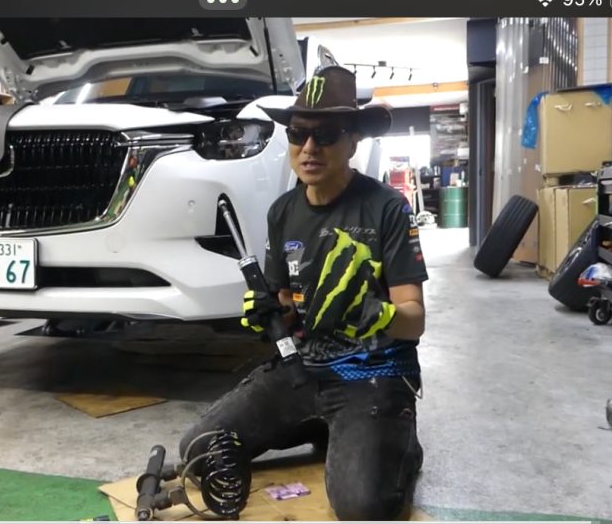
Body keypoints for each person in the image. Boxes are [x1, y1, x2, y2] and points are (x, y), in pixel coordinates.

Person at [178, 66, 428, 520]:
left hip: (371, 375)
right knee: (200, 452)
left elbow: (415, 320)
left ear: (353, 141)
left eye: (326, 135)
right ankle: (326, 426)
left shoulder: (387, 208)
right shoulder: (283, 212)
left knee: (362, 508)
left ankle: (399, 444)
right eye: (298, 133)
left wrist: (379, 314)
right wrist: (268, 312)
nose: (309, 147)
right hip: (303, 370)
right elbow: (288, 306)